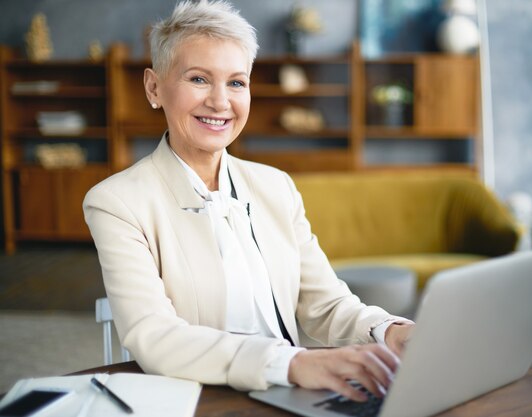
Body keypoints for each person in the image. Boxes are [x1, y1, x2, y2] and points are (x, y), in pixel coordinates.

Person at [83, 0, 413, 402]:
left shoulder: (276, 187)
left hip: (292, 394)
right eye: (199, 79)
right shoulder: (116, 202)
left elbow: (325, 305)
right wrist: (291, 363)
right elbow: (154, 335)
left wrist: (389, 330)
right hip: (198, 399)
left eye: (237, 82)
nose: (221, 102)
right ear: (154, 87)